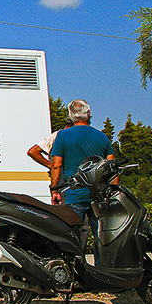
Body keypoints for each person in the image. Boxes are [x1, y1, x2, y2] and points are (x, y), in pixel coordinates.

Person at [49, 99, 114, 264]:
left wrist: (55, 190)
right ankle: (102, 270)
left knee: (73, 237)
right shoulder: (102, 137)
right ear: (89, 113)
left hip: (73, 195)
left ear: (70, 115)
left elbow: (56, 165)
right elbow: (111, 167)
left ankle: (75, 270)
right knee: (101, 237)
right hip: (99, 196)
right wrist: (113, 192)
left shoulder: (63, 135)